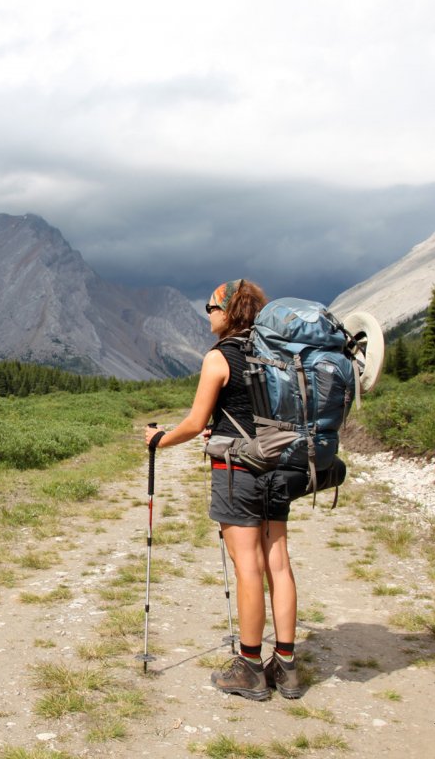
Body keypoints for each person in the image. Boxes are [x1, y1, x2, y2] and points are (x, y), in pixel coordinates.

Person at [144, 279, 302, 701]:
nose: (208, 315)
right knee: (279, 564)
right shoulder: (279, 354)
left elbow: (195, 423)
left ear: (229, 310)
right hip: (282, 465)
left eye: (211, 307)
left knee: (247, 566)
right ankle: (286, 666)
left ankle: (250, 667)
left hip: (238, 471)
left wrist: (159, 439)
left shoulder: (219, 357)